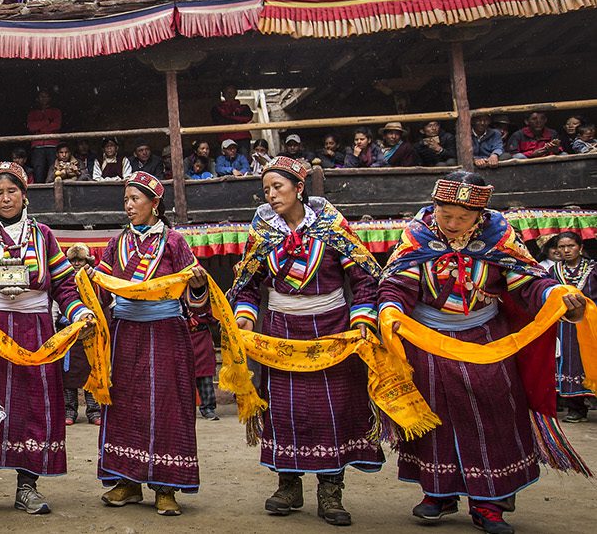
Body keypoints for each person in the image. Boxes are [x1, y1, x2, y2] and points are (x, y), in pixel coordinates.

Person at [378, 171, 586, 534]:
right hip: (427, 340)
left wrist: (555, 297)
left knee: (492, 414)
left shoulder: (498, 238)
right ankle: (438, 492)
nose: (453, 224)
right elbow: (398, 282)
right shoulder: (417, 236)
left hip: (487, 339)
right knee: (434, 412)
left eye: (463, 218)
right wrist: (391, 310)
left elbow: (528, 282)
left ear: (481, 215)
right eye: (446, 216)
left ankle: (489, 502)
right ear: (435, 207)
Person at [231, 156, 384, 527]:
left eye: (278, 187)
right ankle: (288, 485)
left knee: (332, 409)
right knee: (285, 409)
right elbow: (248, 286)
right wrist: (245, 317)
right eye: (266, 189)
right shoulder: (263, 232)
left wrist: (362, 319)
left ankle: (331, 492)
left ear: (299, 189)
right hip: (280, 331)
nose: (270, 195)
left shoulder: (333, 227)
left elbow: (365, 280)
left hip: (331, 329)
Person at [0, 161, 96, 515]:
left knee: (32, 404)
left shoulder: (44, 235)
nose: (5, 198)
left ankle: (27, 485)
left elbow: (63, 284)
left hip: (35, 331)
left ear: (24, 194)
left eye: (12, 191)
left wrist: (80, 313)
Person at [85, 171, 212, 515]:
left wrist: (198, 286)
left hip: (166, 332)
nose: (128, 206)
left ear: (155, 204)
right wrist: (87, 275)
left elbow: (197, 297)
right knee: (124, 403)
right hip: (126, 332)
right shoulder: (116, 244)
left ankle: (166, 487)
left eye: (134, 199)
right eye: (125, 200)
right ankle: (126, 481)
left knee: (167, 405)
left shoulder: (174, 243)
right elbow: (101, 290)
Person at [548, 232, 594, 423]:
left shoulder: (593, 269)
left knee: (591, 359)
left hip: (591, 323)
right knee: (569, 361)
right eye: (561, 247)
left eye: (571, 246)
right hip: (564, 326)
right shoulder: (553, 271)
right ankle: (576, 408)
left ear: (580, 247)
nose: (566, 250)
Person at [61, 245, 101, 427]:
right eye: (73, 260)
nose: (76, 264)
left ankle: (94, 411)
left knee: (90, 372)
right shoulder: (62, 281)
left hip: (90, 332)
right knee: (68, 376)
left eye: (80, 260)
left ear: (87, 262)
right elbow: (56, 304)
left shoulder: (93, 280)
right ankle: (70, 410)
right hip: (68, 333)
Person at [27, 90, 62, 184]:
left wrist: (39, 129)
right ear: (38, 99)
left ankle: (54, 189)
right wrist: (47, 122)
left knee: (54, 169)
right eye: (41, 96)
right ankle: (39, 191)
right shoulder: (32, 113)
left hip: (52, 144)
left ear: (50, 98)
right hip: (37, 145)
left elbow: (56, 126)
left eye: (46, 96)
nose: (44, 99)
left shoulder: (56, 111)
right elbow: (31, 127)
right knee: (38, 169)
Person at [212, 84, 254, 151]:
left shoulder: (244, 108)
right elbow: (220, 121)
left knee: (244, 159)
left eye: (232, 92)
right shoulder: (217, 109)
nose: (229, 94)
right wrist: (239, 121)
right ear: (223, 94)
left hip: (242, 137)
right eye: (227, 92)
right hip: (224, 138)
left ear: (236, 93)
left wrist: (228, 117)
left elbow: (247, 117)